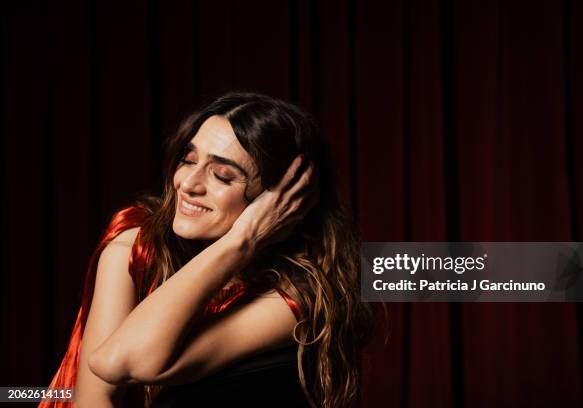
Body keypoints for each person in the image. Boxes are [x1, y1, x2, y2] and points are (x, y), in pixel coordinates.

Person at [40, 92, 374, 408]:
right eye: (188, 159)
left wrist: (240, 242)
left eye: (222, 175)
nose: (188, 184)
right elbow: (92, 397)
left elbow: (120, 361)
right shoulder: (134, 244)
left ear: (280, 203)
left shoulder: (301, 293)